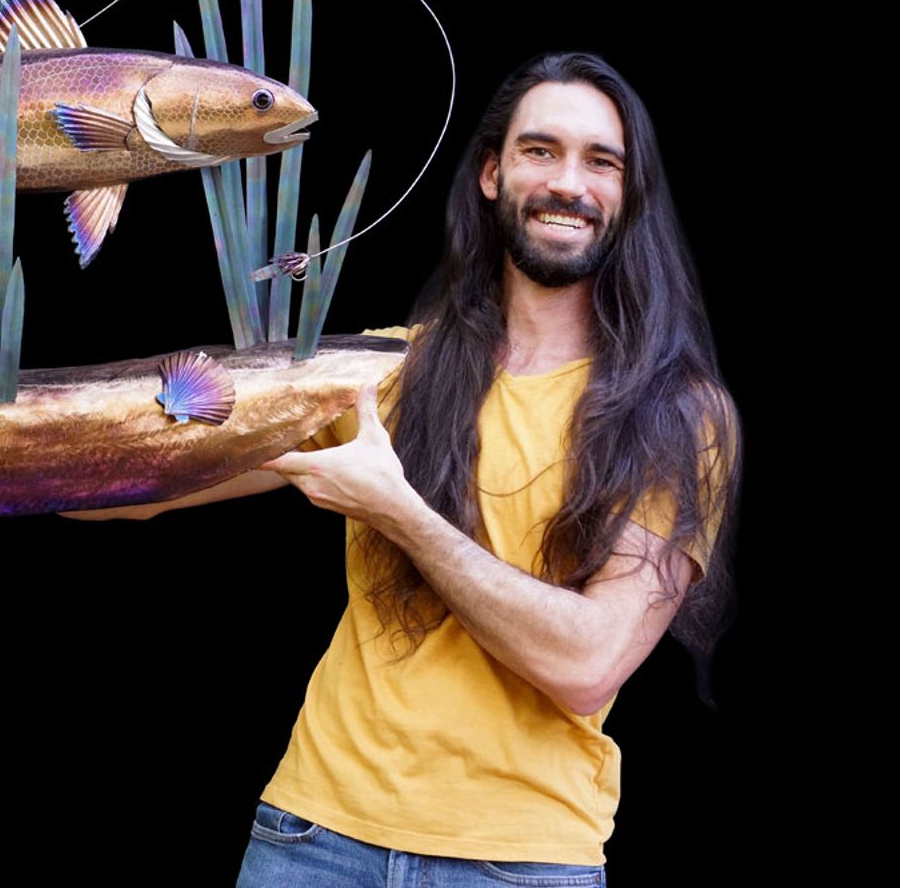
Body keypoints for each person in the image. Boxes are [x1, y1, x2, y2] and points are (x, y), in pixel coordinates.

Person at [65, 52, 740, 887]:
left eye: (602, 161)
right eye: (540, 150)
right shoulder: (385, 371)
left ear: (629, 193)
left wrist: (398, 508)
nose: (570, 181)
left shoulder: (680, 414)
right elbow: (147, 489)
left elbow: (586, 663)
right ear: (493, 174)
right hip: (311, 837)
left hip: (521, 862)